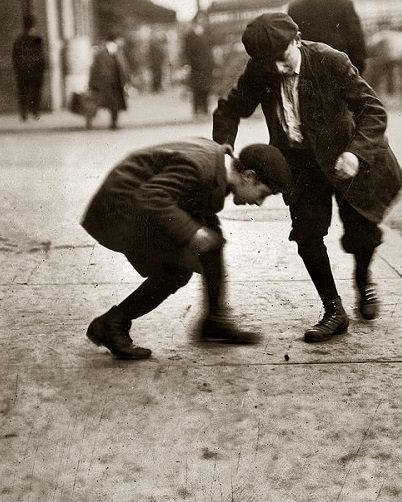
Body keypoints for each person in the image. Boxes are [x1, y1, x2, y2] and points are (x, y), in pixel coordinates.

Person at [213, 12, 402, 344]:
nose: (277, 68)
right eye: (268, 62)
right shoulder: (262, 68)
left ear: (297, 39)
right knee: (306, 234)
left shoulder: (331, 61)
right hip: (301, 165)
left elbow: (372, 110)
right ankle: (334, 310)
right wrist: (224, 150)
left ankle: (363, 279)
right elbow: (229, 109)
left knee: (362, 230)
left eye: (282, 58)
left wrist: (355, 154)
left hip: (347, 157)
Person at [81, 139, 293, 360]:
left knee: (212, 240)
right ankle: (112, 323)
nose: (259, 203)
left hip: (139, 197)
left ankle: (215, 320)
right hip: (121, 207)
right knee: (178, 269)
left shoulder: (218, 168)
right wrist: (192, 232)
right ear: (248, 177)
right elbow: (152, 196)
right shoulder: (199, 168)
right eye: (263, 193)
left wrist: (199, 232)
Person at [288, 0, 367, 75]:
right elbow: (356, 41)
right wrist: (356, 70)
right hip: (341, 69)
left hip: (308, 72)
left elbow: (292, 42)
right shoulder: (344, 5)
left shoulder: (295, 8)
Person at [87, 29, 128, 129]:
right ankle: (90, 122)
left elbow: (122, 67)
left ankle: (114, 123)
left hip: (115, 83)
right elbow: (95, 69)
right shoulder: (102, 53)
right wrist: (92, 84)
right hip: (104, 84)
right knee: (97, 104)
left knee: (114, 104)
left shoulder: (116, 52)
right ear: (114, 41)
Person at [11, 15, 46, 121]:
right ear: (33, 26)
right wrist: (42, 68)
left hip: (23, 71)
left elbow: (15, 57)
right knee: (35, 92)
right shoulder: (37, 39)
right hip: (34, 71)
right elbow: (41, 55)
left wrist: (17, 69)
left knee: (23, 93)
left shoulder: (19, 40)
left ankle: (24, 113)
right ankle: (35, 112)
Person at [183, 13, 216, 116]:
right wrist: (192, 63)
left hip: (206, 66)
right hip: (197, 66)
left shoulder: (206, 33)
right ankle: (197, 109)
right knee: (197, 88)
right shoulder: (190, 35)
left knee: (206, 87)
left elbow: (210, 49)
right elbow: (188, 51)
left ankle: (205, 108)